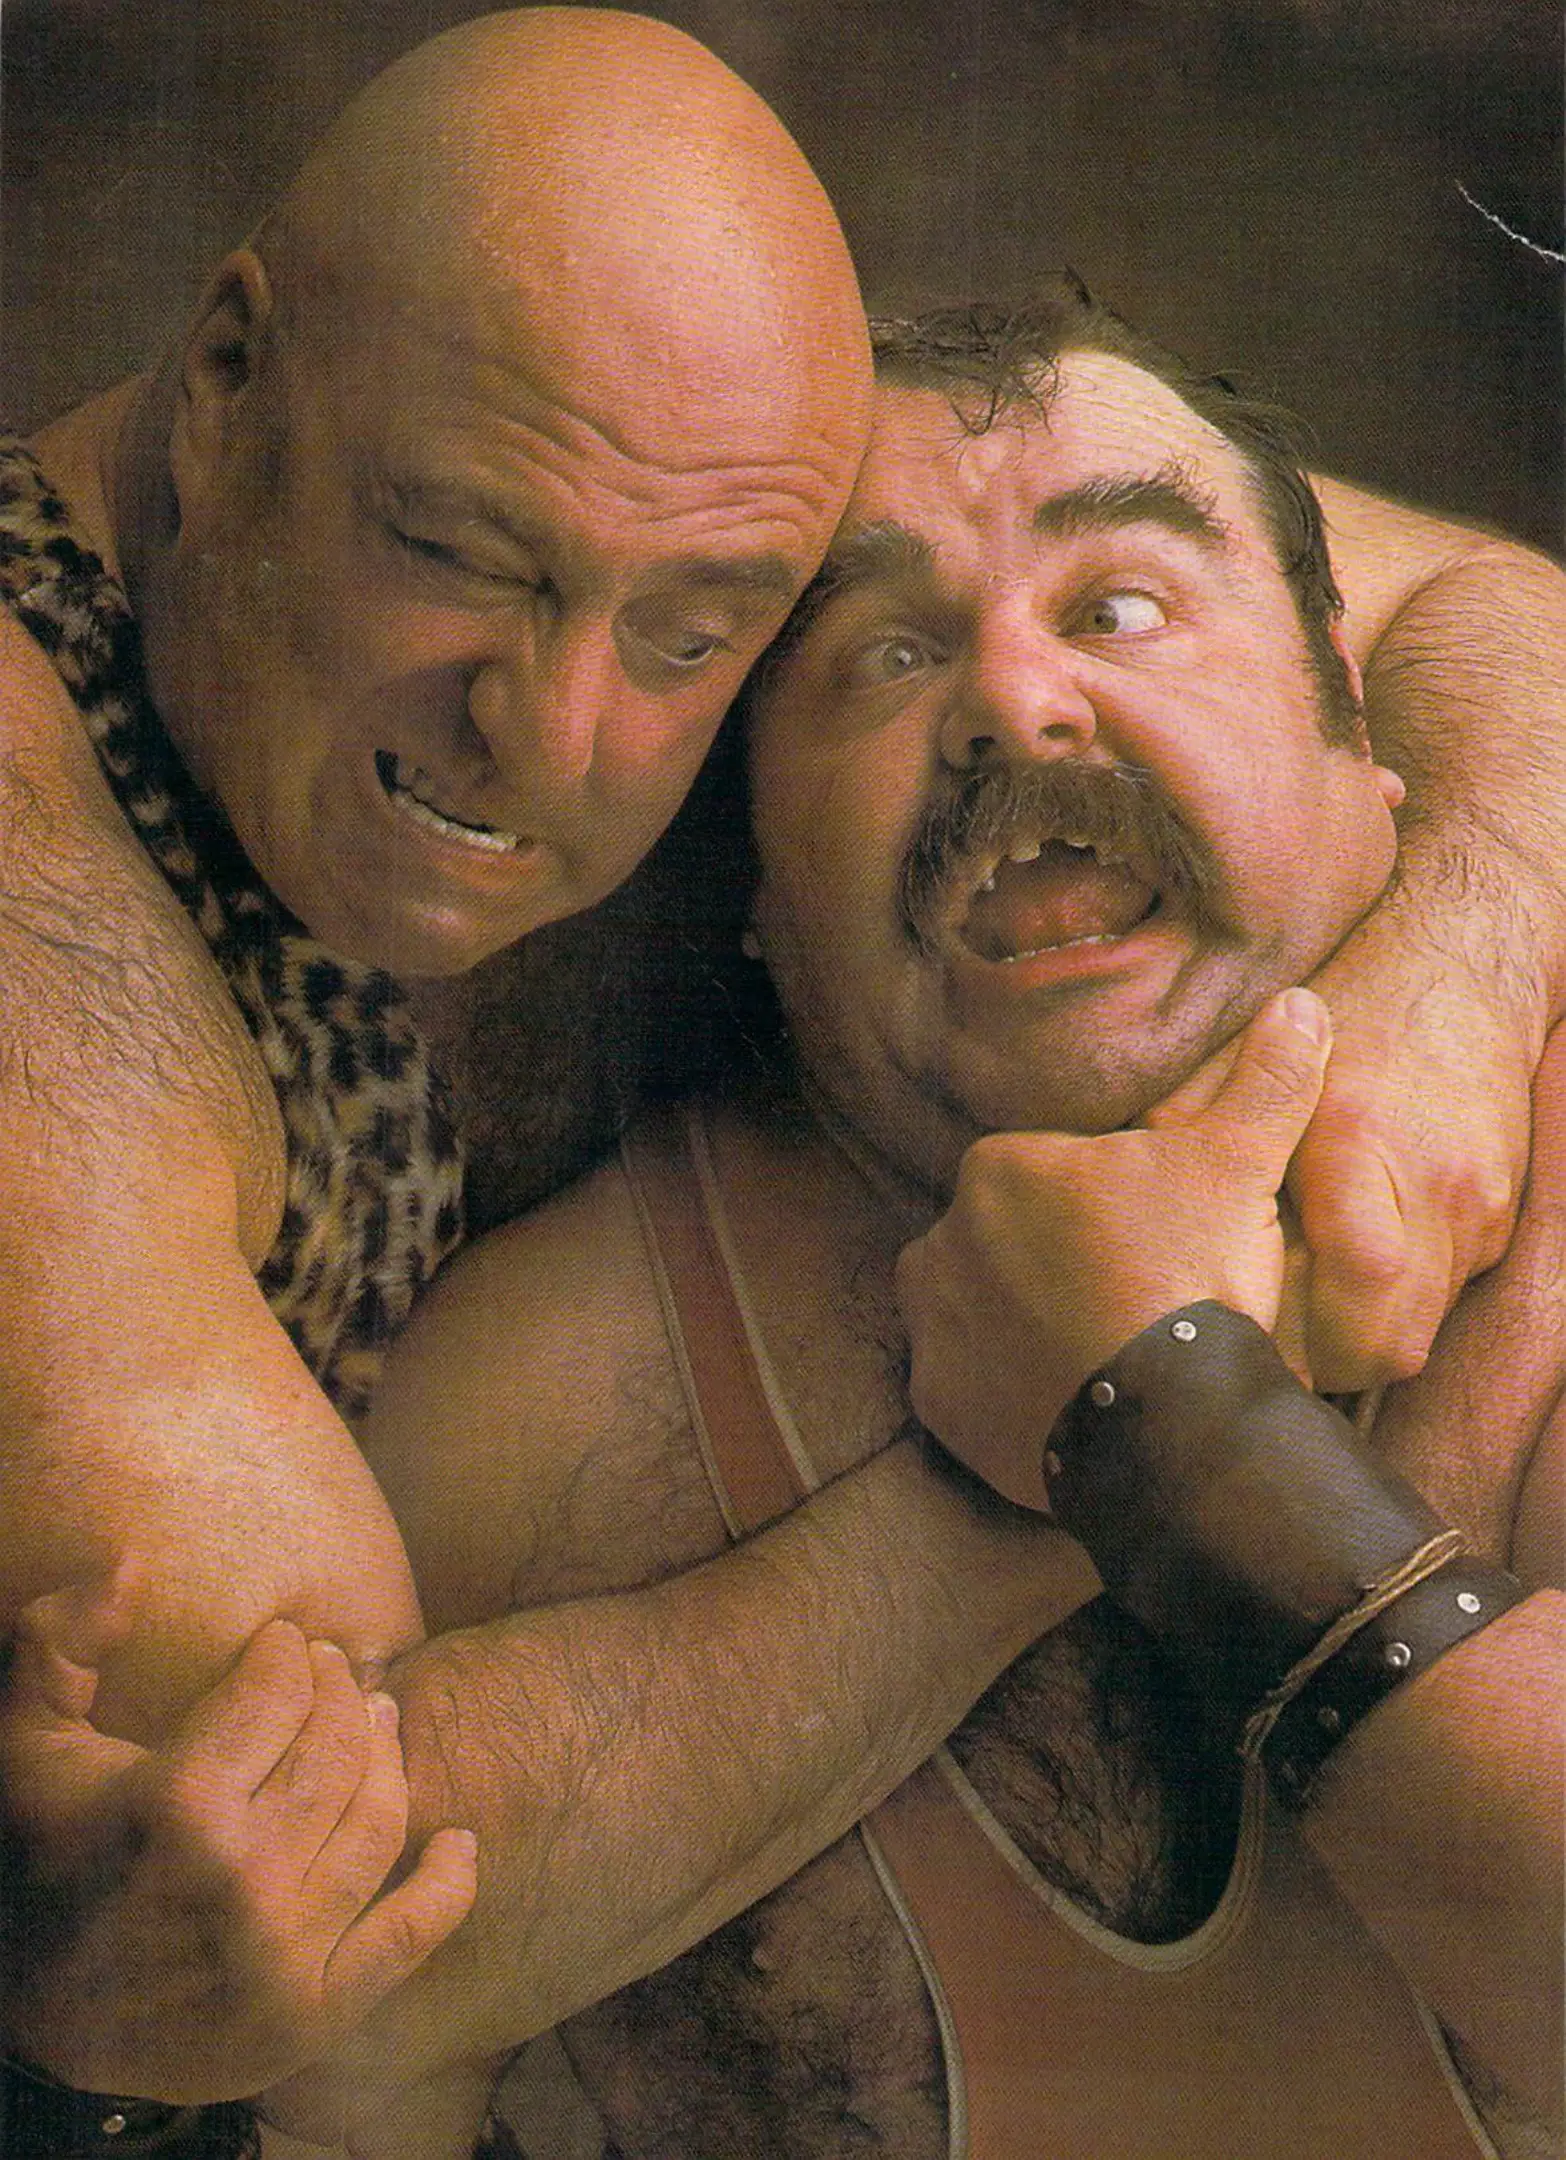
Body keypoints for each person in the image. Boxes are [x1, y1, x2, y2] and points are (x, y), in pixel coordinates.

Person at [2, 0, 1565, 2136]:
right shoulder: (69, 973)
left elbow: (1474, 602)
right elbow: (311, 1919)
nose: (555, 736)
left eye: (691, 633)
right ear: (222, 383)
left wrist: (1454, 979)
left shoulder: (681, 468)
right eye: (460, 553)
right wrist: (1122, 1421)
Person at [350, 290, 1563, 2159]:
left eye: (1120, 607)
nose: (1009, 697)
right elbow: (327, 2067)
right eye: (885, 654)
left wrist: (1171, 1417)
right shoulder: (535, 1409)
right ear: (755, 878)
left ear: (1356, 728)